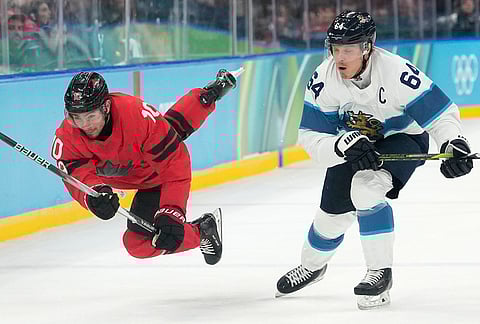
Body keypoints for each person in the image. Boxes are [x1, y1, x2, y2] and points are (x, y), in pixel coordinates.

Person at [275, 10, 474, 309]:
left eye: (349, 49)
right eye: (336, 48)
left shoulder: (396, 72)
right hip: (354, 146)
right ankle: (313, 266)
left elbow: (440, 114)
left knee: (366, 189)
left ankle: (380, 273)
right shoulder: (323, 79)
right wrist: (342, 144)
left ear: (367, 47)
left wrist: (452, 142)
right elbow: (310, 137)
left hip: (403, 138)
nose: (340, 57)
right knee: (329, 220)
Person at [51, 69, 236, 265]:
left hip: (157, 176)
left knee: (173, 129)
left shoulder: (135, 117)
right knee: (137, 245)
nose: (84, 125)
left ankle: (210, 94)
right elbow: (76, 174)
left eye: (90, 116)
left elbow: (175, 162)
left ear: (105, 107)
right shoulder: (67, 135)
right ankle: (203, 231)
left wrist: (171, 211)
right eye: (76, 117)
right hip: (135, 170)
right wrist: (93, 194)